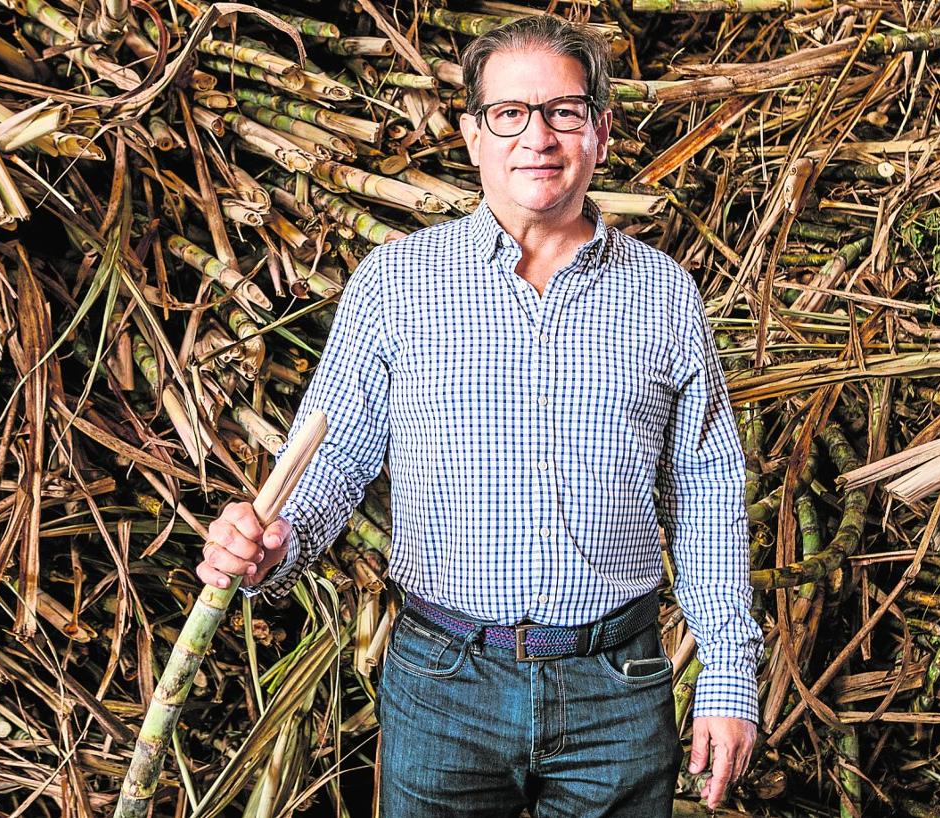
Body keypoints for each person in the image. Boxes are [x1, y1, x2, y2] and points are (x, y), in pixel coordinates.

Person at [197, 14, 762, 817]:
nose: (538, 136)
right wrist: (275, 543)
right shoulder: (397, 283)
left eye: (563, 111)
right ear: (472, 135)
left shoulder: (663, 293)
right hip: (443, 684)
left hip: (618, 684)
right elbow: (334, 456)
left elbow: (705, 486)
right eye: (509, 113)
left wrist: (729, 675)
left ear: (600, 131)